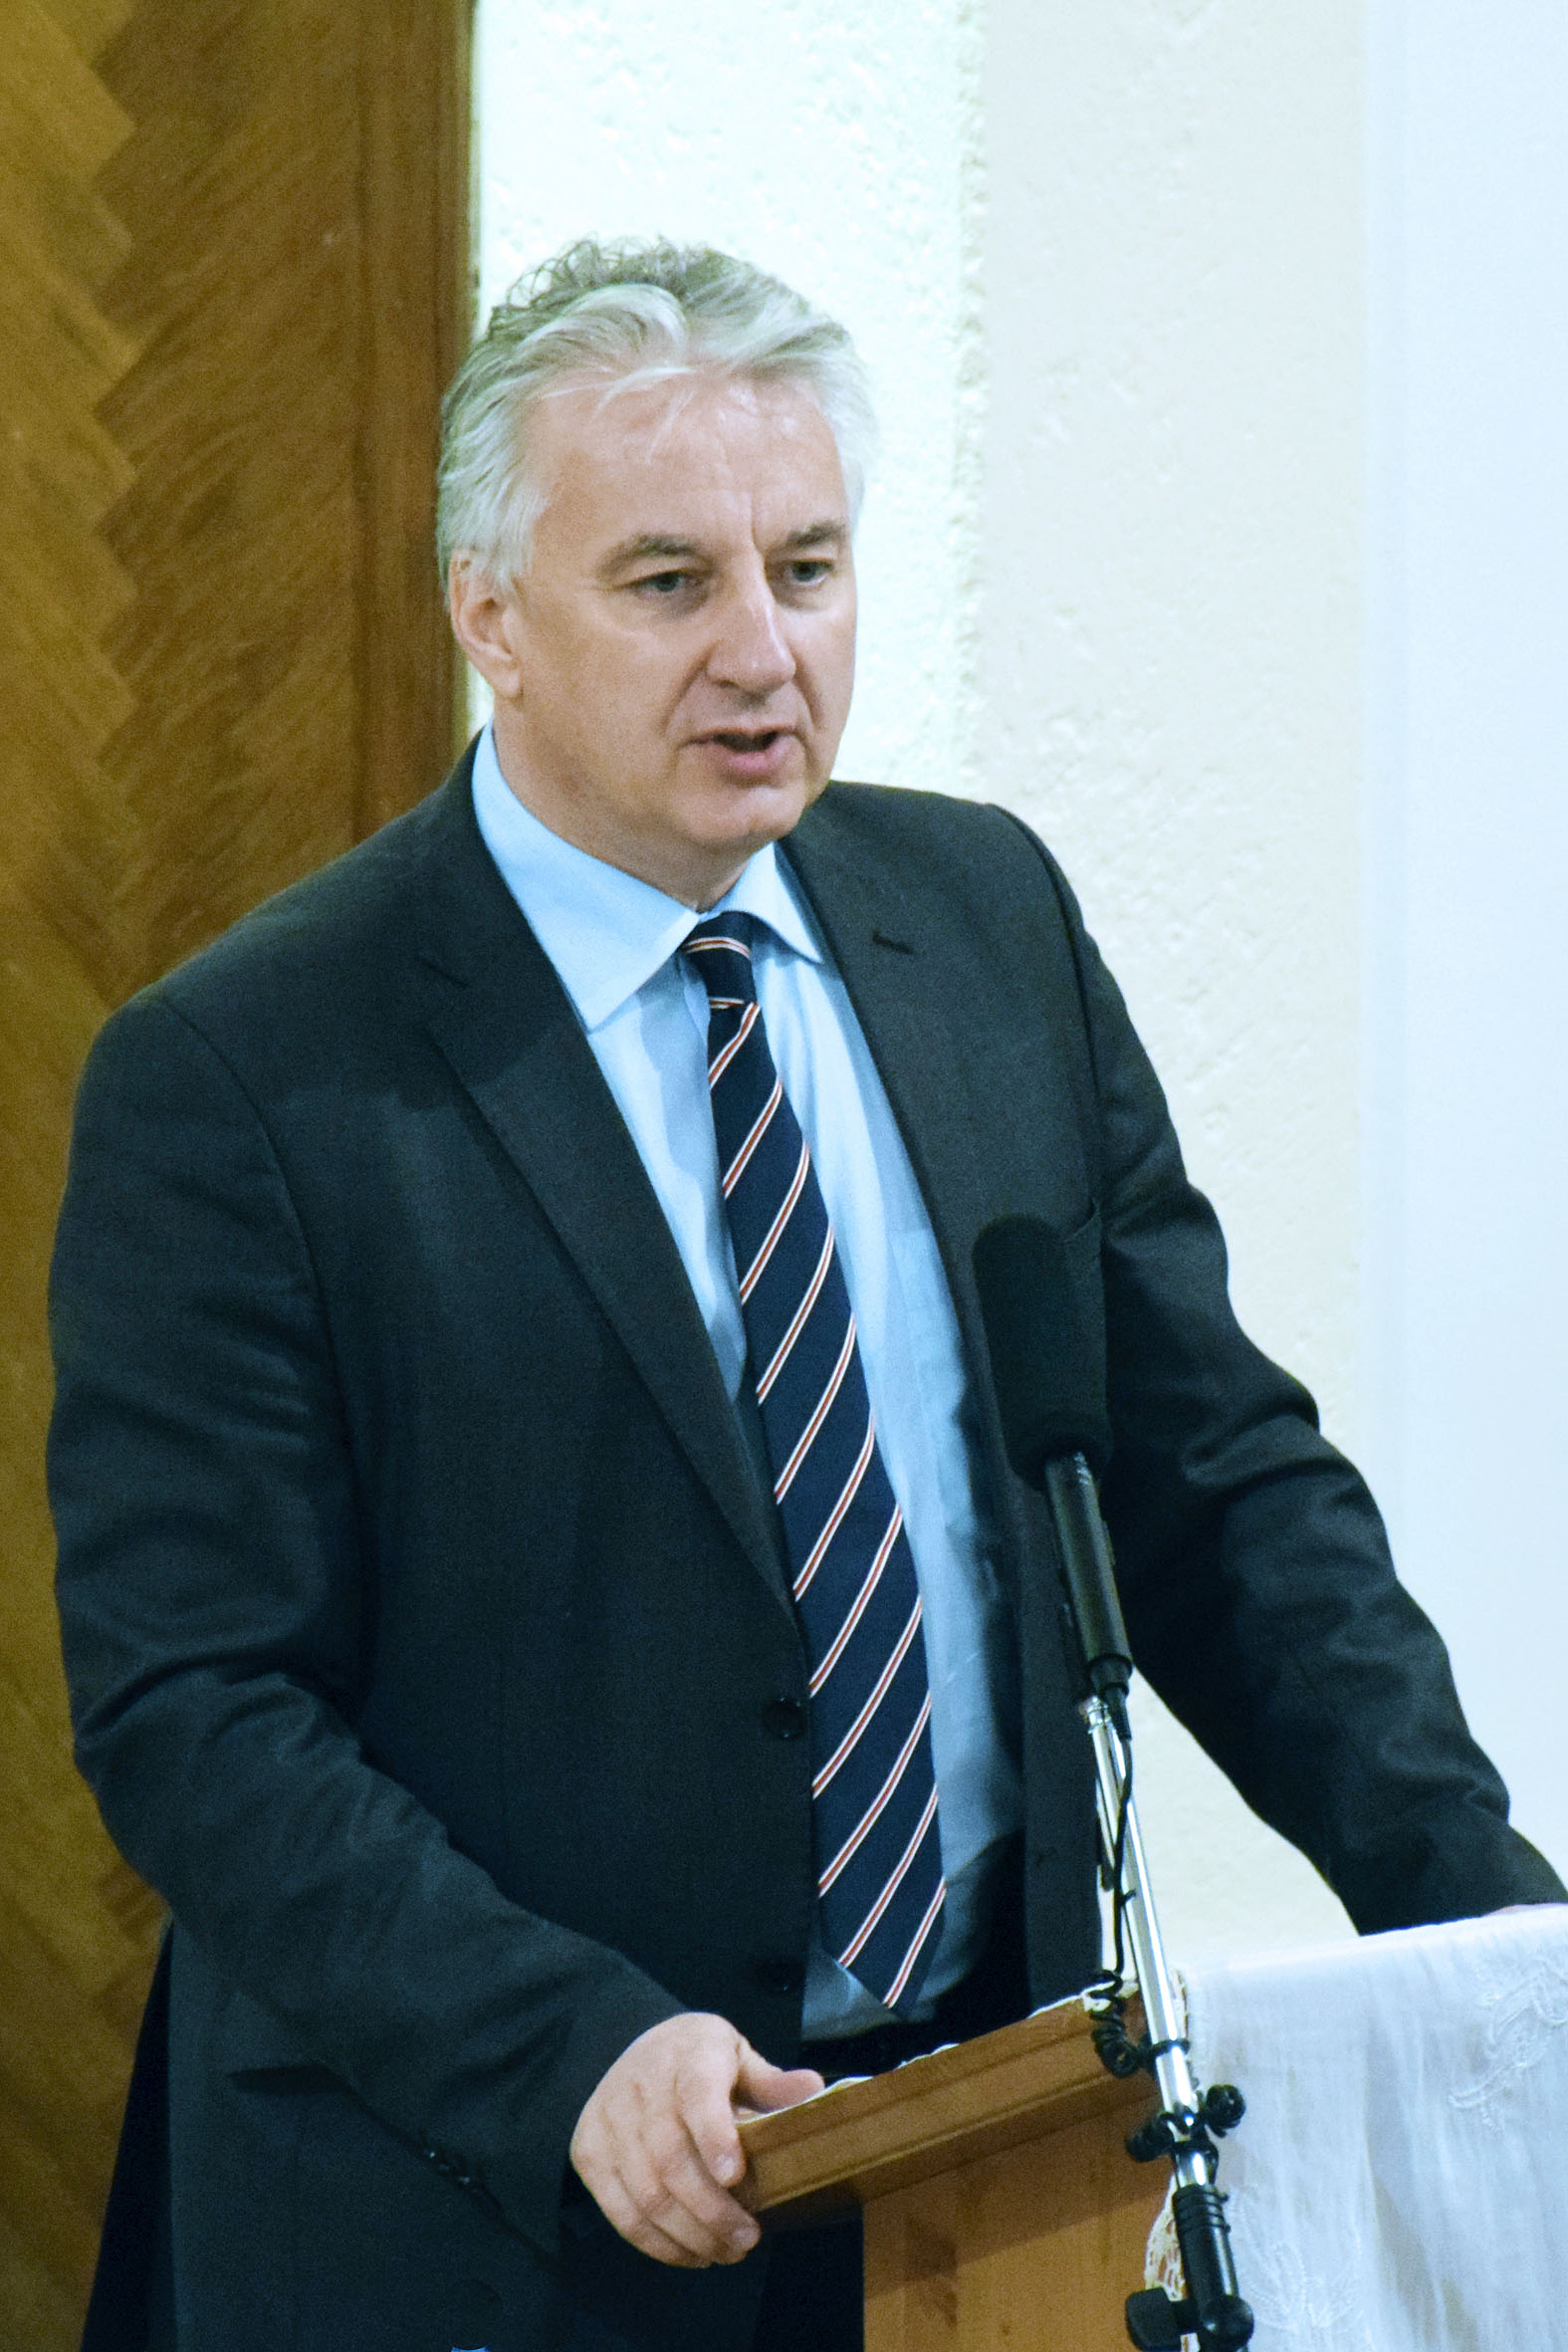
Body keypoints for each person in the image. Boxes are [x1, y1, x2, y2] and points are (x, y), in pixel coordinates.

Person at [49, 238, 1562, 2352]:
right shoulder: (253, 1070)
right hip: (487, 2204)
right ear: (489, 613)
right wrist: (569, 2045)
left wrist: (1485, 1941)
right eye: (668, 581)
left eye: (809, 569)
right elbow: (199, 1706)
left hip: (981, 2165)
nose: (760, 651)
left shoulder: (984, 919)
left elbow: (1213, 1486)